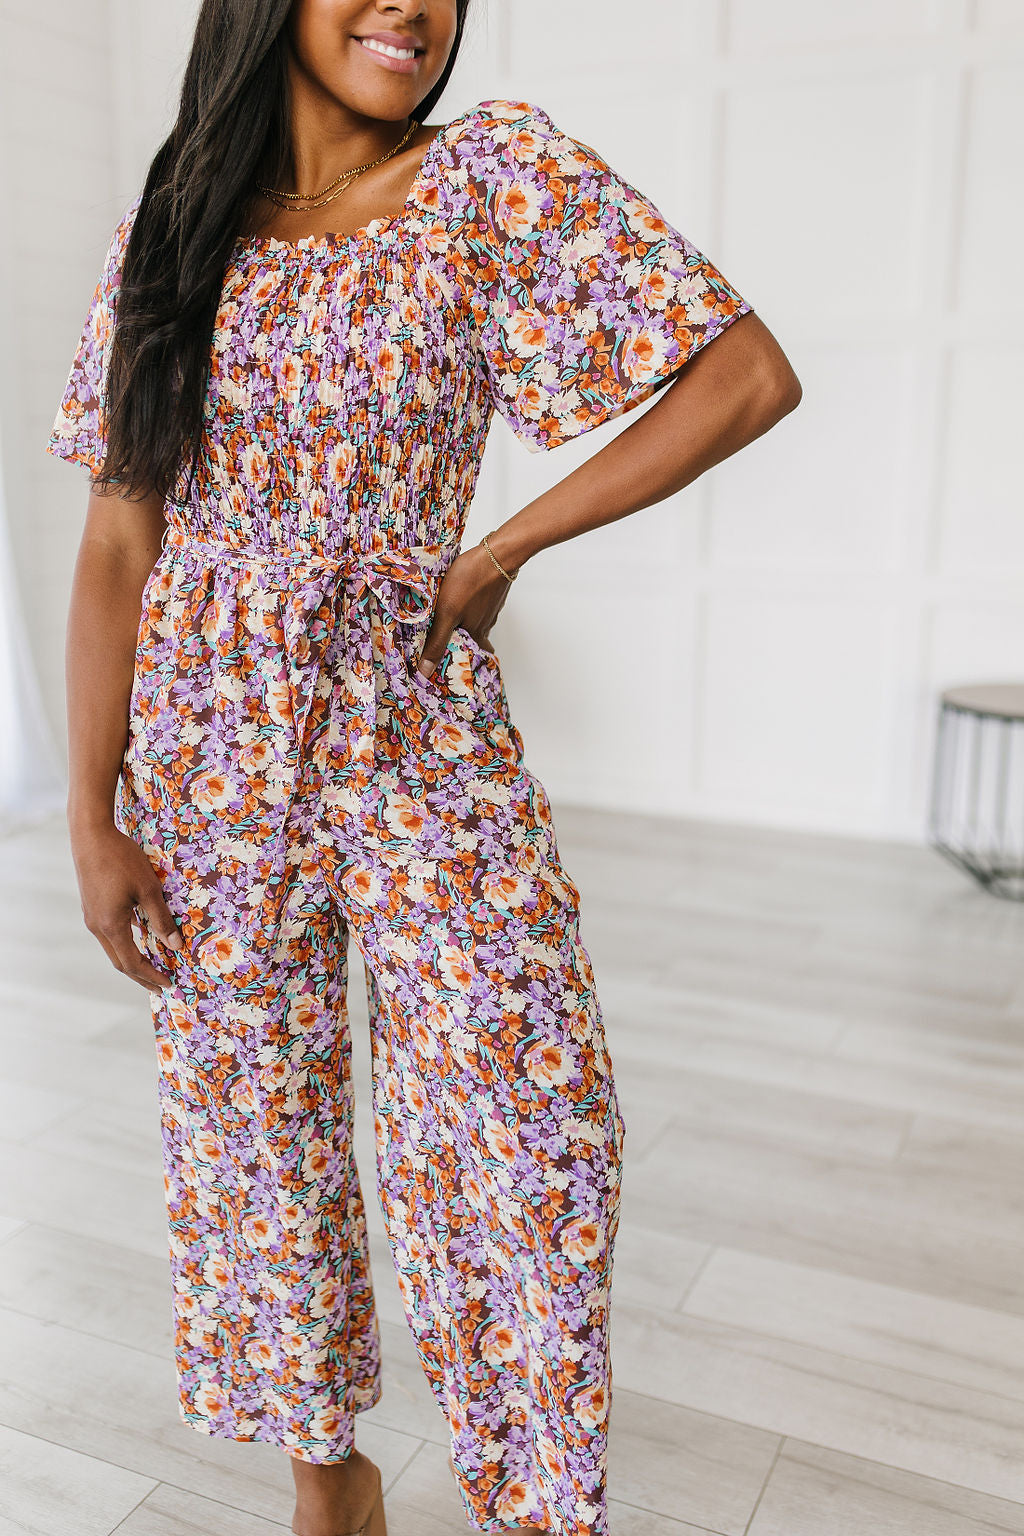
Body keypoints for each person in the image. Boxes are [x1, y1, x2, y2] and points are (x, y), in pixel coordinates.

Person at [48, 2, 801, 1533]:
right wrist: (90, 815)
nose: (413, 0)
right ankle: (331, 1482)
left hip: (414, 723)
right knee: (253, 1130)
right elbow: (122, 535)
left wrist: (503, 545)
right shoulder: (174, 231)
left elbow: (747, 377)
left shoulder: (491, 176)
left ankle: (534, 1504)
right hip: (210, 741)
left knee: (529, 1124)